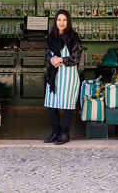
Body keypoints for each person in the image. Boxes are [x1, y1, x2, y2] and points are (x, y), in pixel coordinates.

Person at [43, 9, 83, 145]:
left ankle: (64, 134)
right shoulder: (51, 37)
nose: (62, 23)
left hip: (69, 75)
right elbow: (47, 53)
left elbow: (76, 58)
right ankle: (55, 132)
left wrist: (60, 60)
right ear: (55, 21)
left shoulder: (73, 37)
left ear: (68, 22)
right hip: (54, 75)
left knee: (67, 106)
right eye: (59, 20)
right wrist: (51, 59)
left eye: (64, 20)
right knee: (51, 104)